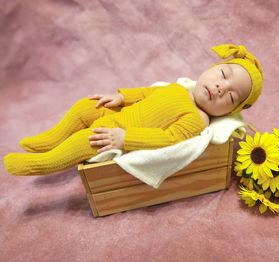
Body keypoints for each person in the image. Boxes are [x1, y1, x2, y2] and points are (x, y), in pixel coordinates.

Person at [3, 43, 263, 176]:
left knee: (88, 140)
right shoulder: (180, 88)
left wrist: (125, 140)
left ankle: (40, 163)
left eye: (230, 96)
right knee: (85, 106)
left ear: (229, 112)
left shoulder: (199, 119)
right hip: (118, 113)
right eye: (223, 75)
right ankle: (50, 139)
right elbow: (149, 92)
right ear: (210, 68)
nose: (219, 88)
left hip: (119, 131)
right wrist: (120, 97)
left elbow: (167, 140)